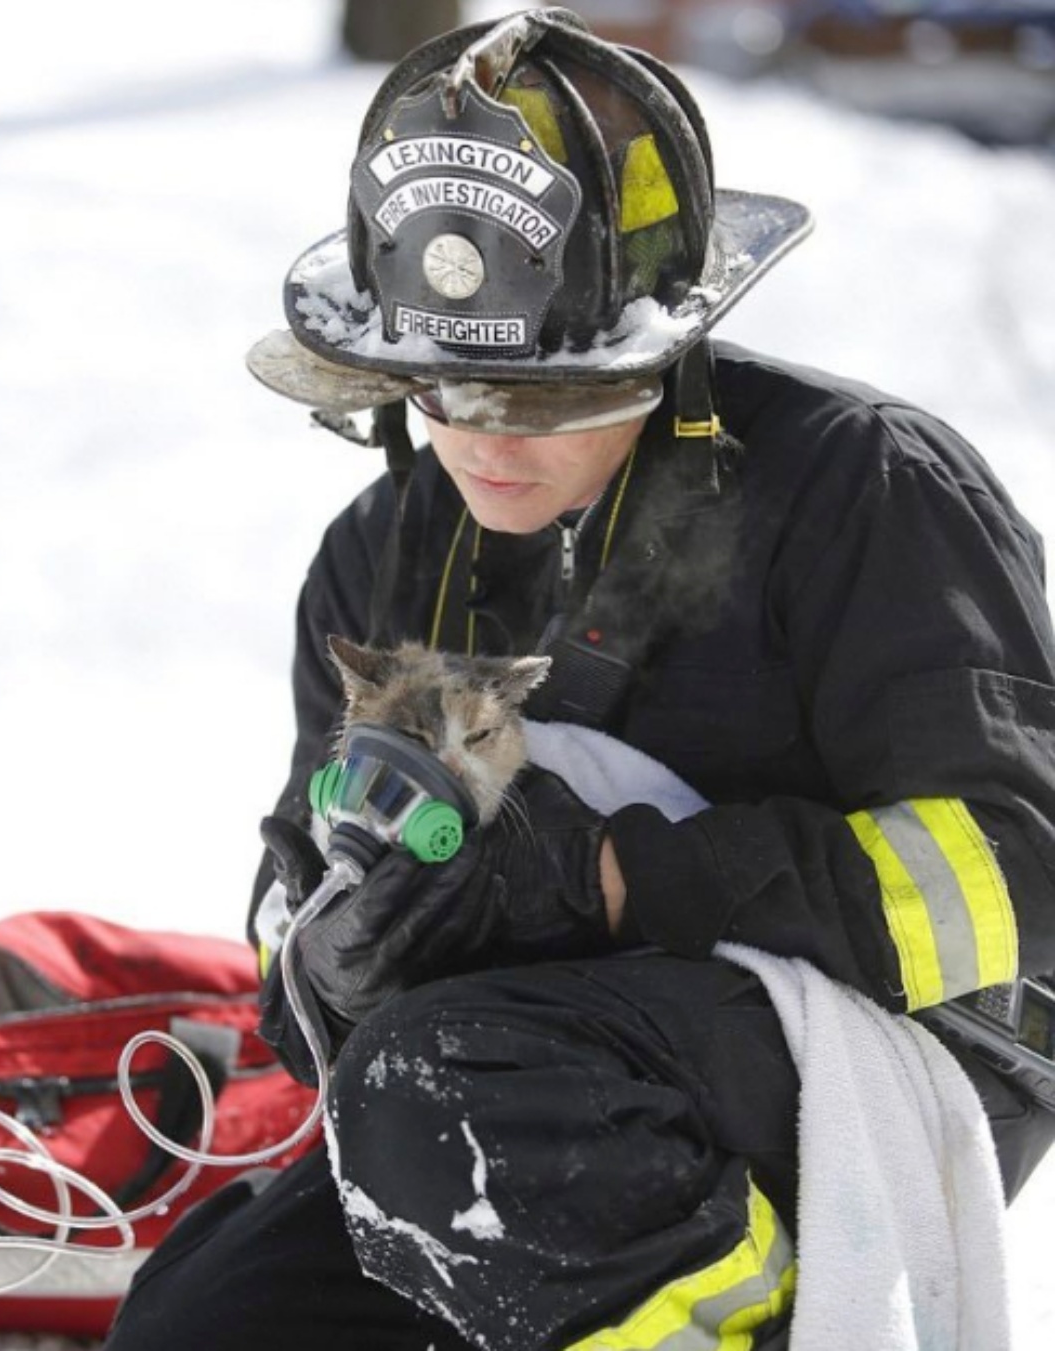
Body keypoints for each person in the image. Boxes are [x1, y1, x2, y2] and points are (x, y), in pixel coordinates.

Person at [105, 9, 1055, 1350]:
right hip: (472, 1087)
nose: (478, 444)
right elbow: (288, 873)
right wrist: (336, 947)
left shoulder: (866, 494)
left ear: (661, 346)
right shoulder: (379, 553)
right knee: (204, 1319)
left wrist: (609, 882)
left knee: (439, 1083)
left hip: (880, 1058)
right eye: (435, 391)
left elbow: (1020, 886)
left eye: (542, 396)